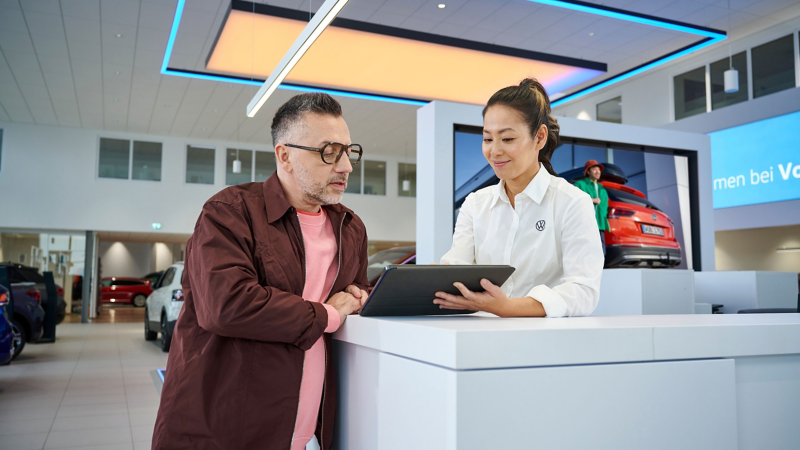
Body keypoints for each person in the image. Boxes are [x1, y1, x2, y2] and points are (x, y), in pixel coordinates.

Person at [152, 93, 369, 450]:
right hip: (225, 429)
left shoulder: (349, 227)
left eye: (349, 151)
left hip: (307, 431)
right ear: (284, 155)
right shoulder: (229, 212)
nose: (345, 166)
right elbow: (228, 305)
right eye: (330, 151)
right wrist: (329, 313)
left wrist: (361, 296)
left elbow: (352, 296)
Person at [434, 79, 603, 318]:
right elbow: (456, 268)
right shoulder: (475, 204)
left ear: (540, 137)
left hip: (544, 344)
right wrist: (432, 279)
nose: (494, 151)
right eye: (488, 139)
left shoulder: (572, 202)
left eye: (508, 139)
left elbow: (583, 291)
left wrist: (508, 308)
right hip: (479, 340)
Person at [573, 160, 610, 256]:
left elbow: (605, 208)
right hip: (585, 224)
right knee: (585, 251)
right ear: (588, 172)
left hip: (600, 225)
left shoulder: (603, 190)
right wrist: (591, 200)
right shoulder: (580, 185)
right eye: (594, 169)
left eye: (599, 169)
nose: (597, 171)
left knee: (601, 253)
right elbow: (573, 198)